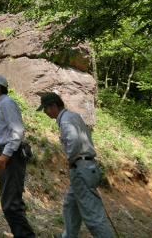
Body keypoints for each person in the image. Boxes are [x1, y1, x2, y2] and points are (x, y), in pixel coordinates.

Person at [37, 93, 113, 238]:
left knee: (93, 216)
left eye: (45, 108)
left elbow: (74, 139)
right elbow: (85, 136)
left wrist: (71, 158)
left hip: (81, 169)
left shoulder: (65, 121)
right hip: (88, 167)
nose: (44, 112)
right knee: (70, 205)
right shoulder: (73, 116)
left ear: (53, 106)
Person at [0, 74, 37, 238]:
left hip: (12, 157)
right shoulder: (1, 104)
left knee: (10, 204)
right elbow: (4, 132)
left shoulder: (7, 103)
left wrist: (6, 154)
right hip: (10, 155)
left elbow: (17, 132)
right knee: (13, 202)